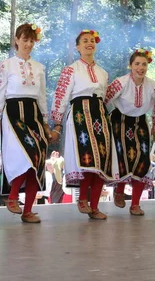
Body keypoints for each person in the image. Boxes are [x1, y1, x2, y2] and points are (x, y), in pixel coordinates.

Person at [50, 29, 112, 220]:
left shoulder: (103, 72)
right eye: (84, 41)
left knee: (101, 160)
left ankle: (94, 206)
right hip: (79, 114)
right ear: (77, 47)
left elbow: (107, 98)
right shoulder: (71, 69)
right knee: (86, 158)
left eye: (92, 40)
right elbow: (61, 97)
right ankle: (83, 199)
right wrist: (57, 124)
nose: (89, 43)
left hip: (99, 114)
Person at [0, 23, 50, 223]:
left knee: (38, 158)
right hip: (14, 112)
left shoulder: (39, 67)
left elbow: (42, 97)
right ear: (16, 40)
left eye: (31, 40)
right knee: (26, 155)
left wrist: (46, 122)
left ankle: (28, 210)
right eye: (24, 40)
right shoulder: (6, 65)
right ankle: (13, 196)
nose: (28, 44)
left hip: (33, 113)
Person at [105, 48, 155, 216]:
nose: (140, 67)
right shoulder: (120, 82)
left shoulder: (153, 86)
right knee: (122, 157)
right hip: (120, 121)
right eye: (137, 64)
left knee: (143, 161)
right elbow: (104, 100)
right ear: (130, 65)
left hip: (141, 123)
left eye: (144, 64)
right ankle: (119, 191)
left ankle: (135, 204)